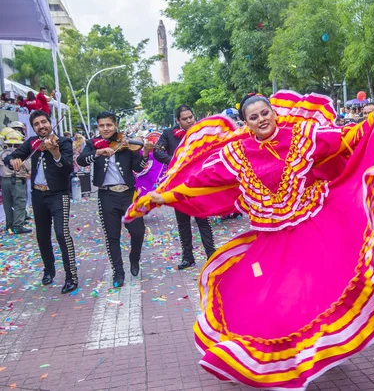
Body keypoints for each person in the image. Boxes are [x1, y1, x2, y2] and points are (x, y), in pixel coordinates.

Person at [125, 88, 374, 390]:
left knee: (323, 288)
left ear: (274, 113)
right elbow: (201, 181)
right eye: (254, 117)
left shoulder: (303, 137)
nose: (262, 119)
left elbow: (348, 139)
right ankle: (268, 356)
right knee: (265, 299)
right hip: (272, 239)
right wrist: (159, 197)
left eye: (265, 112)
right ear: (246, 123)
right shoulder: (236, 153)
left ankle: (320, 347)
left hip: (314, 227)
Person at [3, 110, 78, 294]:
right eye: (36, 124)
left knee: (62, 233)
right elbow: (9, 157)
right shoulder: (32, 143)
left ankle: (71, 276)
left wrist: (55, 152)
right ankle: (49, 270)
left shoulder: (63, 142)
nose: (41, 126)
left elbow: (68, 168)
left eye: (43, 122)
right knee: (42, 236)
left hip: (58, 195)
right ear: (33, 127)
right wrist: (13, 161)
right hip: (38, 195)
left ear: (50, 123)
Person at [77, 111, 153, 287]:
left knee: (138, 231)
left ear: (115, 126)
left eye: (109, 125)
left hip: (128, 194)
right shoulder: (93, 144)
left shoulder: (126, 142)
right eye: (102, 125)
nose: (105, 129)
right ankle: (118, 272)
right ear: (98, 127)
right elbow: (81, 161)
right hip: (107, 195)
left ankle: (134, 258)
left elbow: (138, 167)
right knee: (112, 236)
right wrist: (98, 152)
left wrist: (144, 154)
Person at [153, 105, 216, 269]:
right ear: (178, 120)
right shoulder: (168, 134)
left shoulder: (201, 131)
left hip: (198, 183)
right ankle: (188, 257)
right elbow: (157, 152)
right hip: (178, 185)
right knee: (183, 222)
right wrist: (175, 163)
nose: (189, 121)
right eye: (185, 119)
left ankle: (212, 255)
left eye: (190, 117)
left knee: (203, 220)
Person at [0, 128, 31, 233]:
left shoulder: (2, 153)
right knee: (19, 203)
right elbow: (28, 167)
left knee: (7, 204)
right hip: (17, 180)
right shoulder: (20, 154)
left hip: (4, 181)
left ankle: (9, 225)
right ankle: (18, 226)